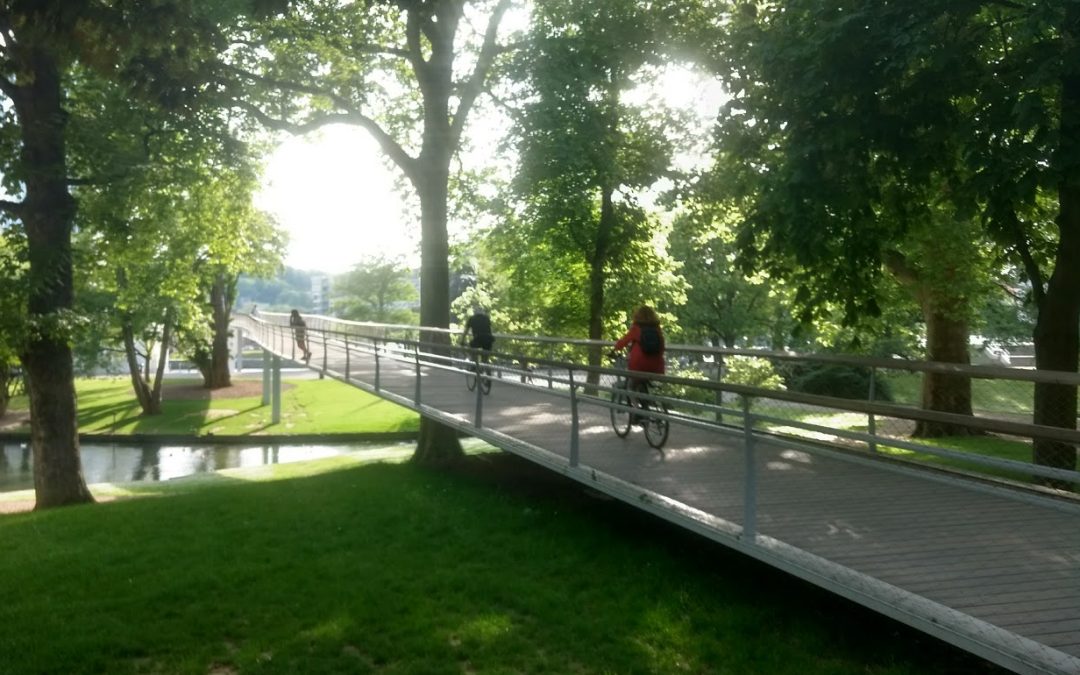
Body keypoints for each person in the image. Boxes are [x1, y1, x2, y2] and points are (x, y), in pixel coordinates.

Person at [613, 305, 666, 423]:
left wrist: (615, 348)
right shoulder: (657, 328)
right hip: (656, 365)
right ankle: (648, 407)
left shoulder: (636, 328)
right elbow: (662, 347)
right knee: (645, 382)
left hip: (639, 365)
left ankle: (637, 411)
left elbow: (623, 342)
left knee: (630, 386)